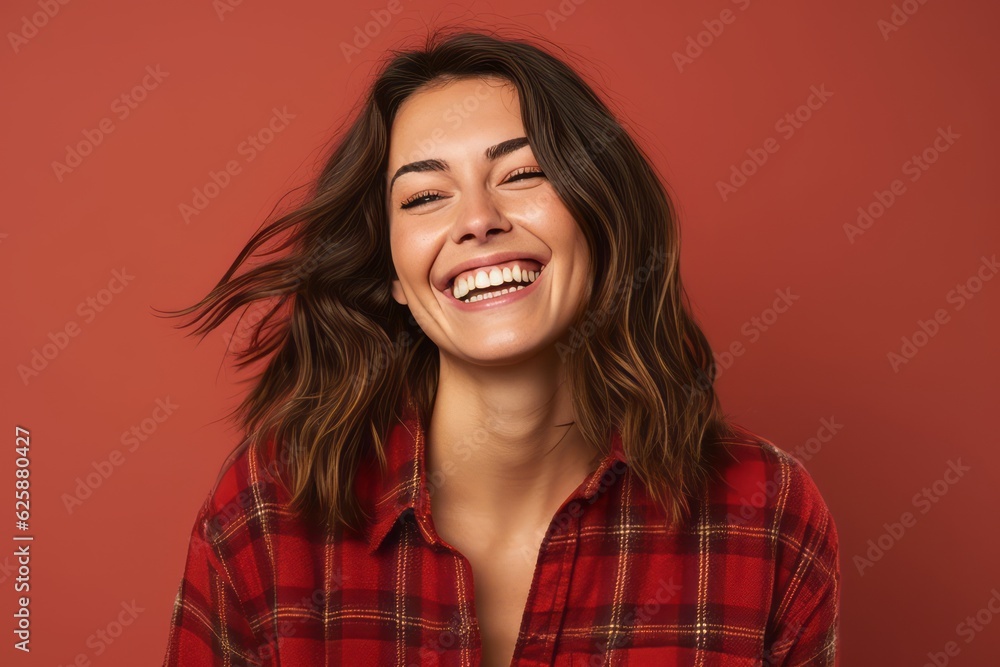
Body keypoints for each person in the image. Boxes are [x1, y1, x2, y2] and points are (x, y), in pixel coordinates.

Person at [159, 26, 839, 667]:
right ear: (391, 272)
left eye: (520, 175)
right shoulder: (265, 515)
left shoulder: (766, 514)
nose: (478, 221)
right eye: (426, 196)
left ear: (601, 219)